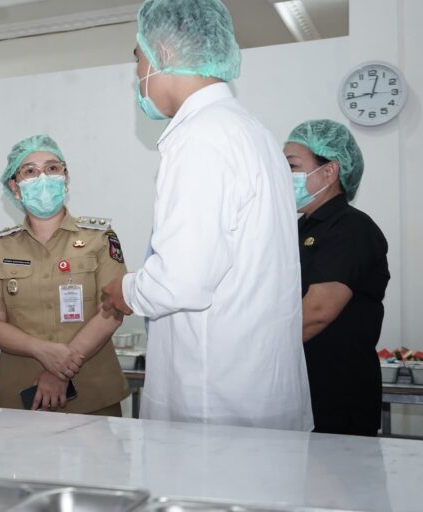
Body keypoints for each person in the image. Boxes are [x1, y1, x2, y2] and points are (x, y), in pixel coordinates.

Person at [101, 0, 312, 430]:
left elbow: (182, 280)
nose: (137, 75)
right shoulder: (251, 132)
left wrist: (125, 290)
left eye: (138, 59)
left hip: (214, 403)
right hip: (255, 390)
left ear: (163, 52)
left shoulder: (200, 138)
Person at [0, 135, 130, 415]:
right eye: (30, 171)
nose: (43, 177)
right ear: (15, 187)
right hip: (21, 399)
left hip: (93, 394)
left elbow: (112, 312)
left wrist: (60, 370)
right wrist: (42, 350)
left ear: (65, 177)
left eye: (52, 168)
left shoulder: (99, 238)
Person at [285, 119, 389, 436]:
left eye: (291, 166)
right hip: (300, 386)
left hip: (336, 395)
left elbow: (317, 312)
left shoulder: (351, 228)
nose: (282, 175)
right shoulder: (298, 229)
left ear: (329, 171)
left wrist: (253, 350)